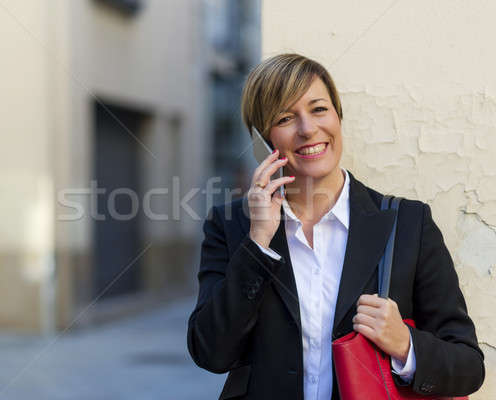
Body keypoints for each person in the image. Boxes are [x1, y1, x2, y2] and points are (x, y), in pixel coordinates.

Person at [186, 53, 485, 400]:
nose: (307, 129)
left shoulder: (409, 224)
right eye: (285, 117)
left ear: (338, 117)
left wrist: (405, 346)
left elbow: (468, 366)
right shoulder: (231, 226)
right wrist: (258, 244)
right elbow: (210, 352)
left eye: (318, 109)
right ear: (261, 140)